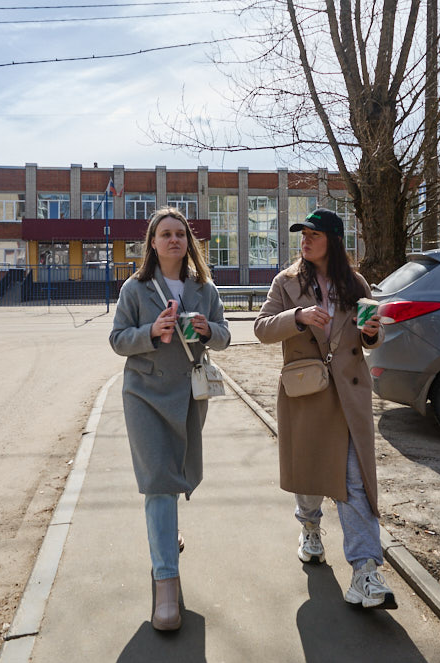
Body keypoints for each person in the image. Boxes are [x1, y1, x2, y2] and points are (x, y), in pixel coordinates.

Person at [254, 208, 394, 609]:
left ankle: (366, 571)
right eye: (303, 234)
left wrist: (372, 332)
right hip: (306, 392)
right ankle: (310, 527)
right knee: (310, 477)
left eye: (313, 234)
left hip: (349, 397)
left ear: (332, 240)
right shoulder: (286, 282)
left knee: (355, 483)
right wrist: (296, 317)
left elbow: (373, 334)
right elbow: (262, 328)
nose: (305, 239)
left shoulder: (356, 282)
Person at [109, 207, 231, 632]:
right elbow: (117, 339)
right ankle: (165, 581)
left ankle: (166, 533)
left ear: (189, 242)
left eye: (181, 234)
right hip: (144, 395)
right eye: (166, 234)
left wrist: (207, 329)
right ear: (153, 243)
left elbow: (226, 334)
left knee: (176, 473)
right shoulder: (136, 288)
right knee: (159, 480)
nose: (174, 240)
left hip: (189, 396)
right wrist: (151, 333)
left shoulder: (204, 287)